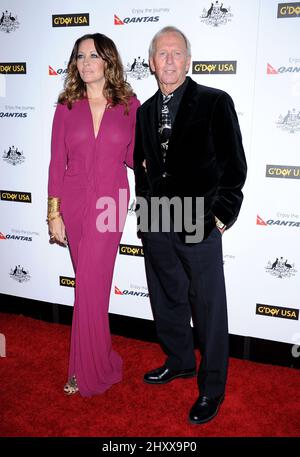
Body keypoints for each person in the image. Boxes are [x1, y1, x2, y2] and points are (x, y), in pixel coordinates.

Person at [134, 26, 247, 424]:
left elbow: (235, 166)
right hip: (158, 223)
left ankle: (211, 387)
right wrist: (146, 215)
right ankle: (179, 360)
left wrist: (220, 215)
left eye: (176, 53)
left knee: (209, 307)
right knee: (166, 300)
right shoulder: (145, 111)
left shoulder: (215, 102)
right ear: (151, 62)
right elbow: (142, 167)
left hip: (199, 224)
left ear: (188, 60)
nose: (168, 60)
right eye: (161, 54)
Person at [48, 33, 140, 397]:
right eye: (80, 56)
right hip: (73, 202)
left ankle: (82, 370)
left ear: (108, 61)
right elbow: (57, 162)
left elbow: (135, 156)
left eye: (93, 56)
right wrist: (53, 212)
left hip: (111, 203)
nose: (85, 63)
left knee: (91, 284)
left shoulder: (130, 105)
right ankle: (95, 361)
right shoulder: (66, 106)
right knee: (91, 288)